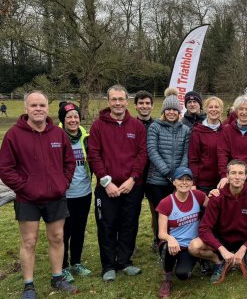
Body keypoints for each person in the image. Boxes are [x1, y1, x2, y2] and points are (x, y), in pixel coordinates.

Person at [0, 91, 78, 297]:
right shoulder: (13, 135)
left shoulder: (58, 134)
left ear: (47, 108)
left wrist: (63, 183)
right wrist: (25, 187)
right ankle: (28, 284)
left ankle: (57, 278)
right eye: (33, 105)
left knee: (57, 237)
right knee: (29, 241)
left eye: (42, 105)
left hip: (55, 197)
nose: (38, 109)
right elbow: (6, 168)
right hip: (27, 199)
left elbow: (69, 162)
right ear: (26, 109)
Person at [88, 85, 148, 282]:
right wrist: (106, 182)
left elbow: (142, 154)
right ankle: (108, 265)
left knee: (129, 224)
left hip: (132, 186)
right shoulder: (98, 125)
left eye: (121, 99)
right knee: (107, 225)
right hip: (107, 188)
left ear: (127, 101)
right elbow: (94, 154)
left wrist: (133, 179)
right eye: (114, 99)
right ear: (108, 102)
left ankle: (124, 262)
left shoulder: (137, 126)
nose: (117, 103)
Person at [190, 160, 247, 283]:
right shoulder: (217, 197)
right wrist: (221, 249)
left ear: (246, 176)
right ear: (227, 175)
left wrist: (244, 248)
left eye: (241, 173)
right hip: (222, 240)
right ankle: (219, 262)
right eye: (233, 173)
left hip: (246, 240)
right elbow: (204, 229)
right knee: (194, 247)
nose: (237, 177)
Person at [146, 88, 191, 252]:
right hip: (156, 180)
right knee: (160, 214)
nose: (171, 112)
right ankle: (160, 243)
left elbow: (186, 153)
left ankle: (176, 242)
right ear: (164, 111)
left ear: (179, 112)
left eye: (174, 109)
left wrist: (179, 175)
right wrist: (168, 173)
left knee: (176, 214)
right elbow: (152, 151)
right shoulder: (155, 127)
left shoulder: (185, 129)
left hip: (177, 180)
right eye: (168, 109)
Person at [156, 167, 209, 298]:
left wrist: (216, 194)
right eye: (180, 179)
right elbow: (161, 233)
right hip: (174, 245)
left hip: (191, 246)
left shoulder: (199, 196)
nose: (184, 182)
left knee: (183, 275)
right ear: (174, 182)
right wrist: (170, 238)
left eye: (188, 179)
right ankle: (167, 279)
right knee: (168, 246)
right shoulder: (166, 202)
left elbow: (214, 207)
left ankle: (199, 258)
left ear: (192, 183)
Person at [57, 102, 93, 283]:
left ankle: (76, 262)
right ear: (62, 120)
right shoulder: (55, 137)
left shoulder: (86, 137)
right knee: (64, 232)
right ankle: (62, 266)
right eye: (69, 117)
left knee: (79, 229)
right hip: (64, 194)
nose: (73, 120)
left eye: (75, 116)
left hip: (84, 192)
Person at [217, 96, 247, 192]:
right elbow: (222, 153)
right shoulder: (227, 130)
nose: (244, 112)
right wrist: (223, 175)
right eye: (241, 109)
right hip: (233, 177)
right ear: (236, 111)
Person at [134, 90, 156, 251]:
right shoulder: (130, 125)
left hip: (154, 174)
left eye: (147, 103)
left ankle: (157, 239)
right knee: (132, 212)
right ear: (135, 106)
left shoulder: (157, 125)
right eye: (141, 103)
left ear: (152, 106)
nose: (144, 106)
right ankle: (129, 243)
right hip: (135, 176)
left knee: (156, 210)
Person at [189, 96, 224, 195]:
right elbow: (193, 159)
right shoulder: (197, 131)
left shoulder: (226, 131)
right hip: (204, 184)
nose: (213, 110)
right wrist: (193, 182)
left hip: (223, 182)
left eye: (217, 107)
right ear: (205, 109)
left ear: (221, 110)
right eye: (210, 107)